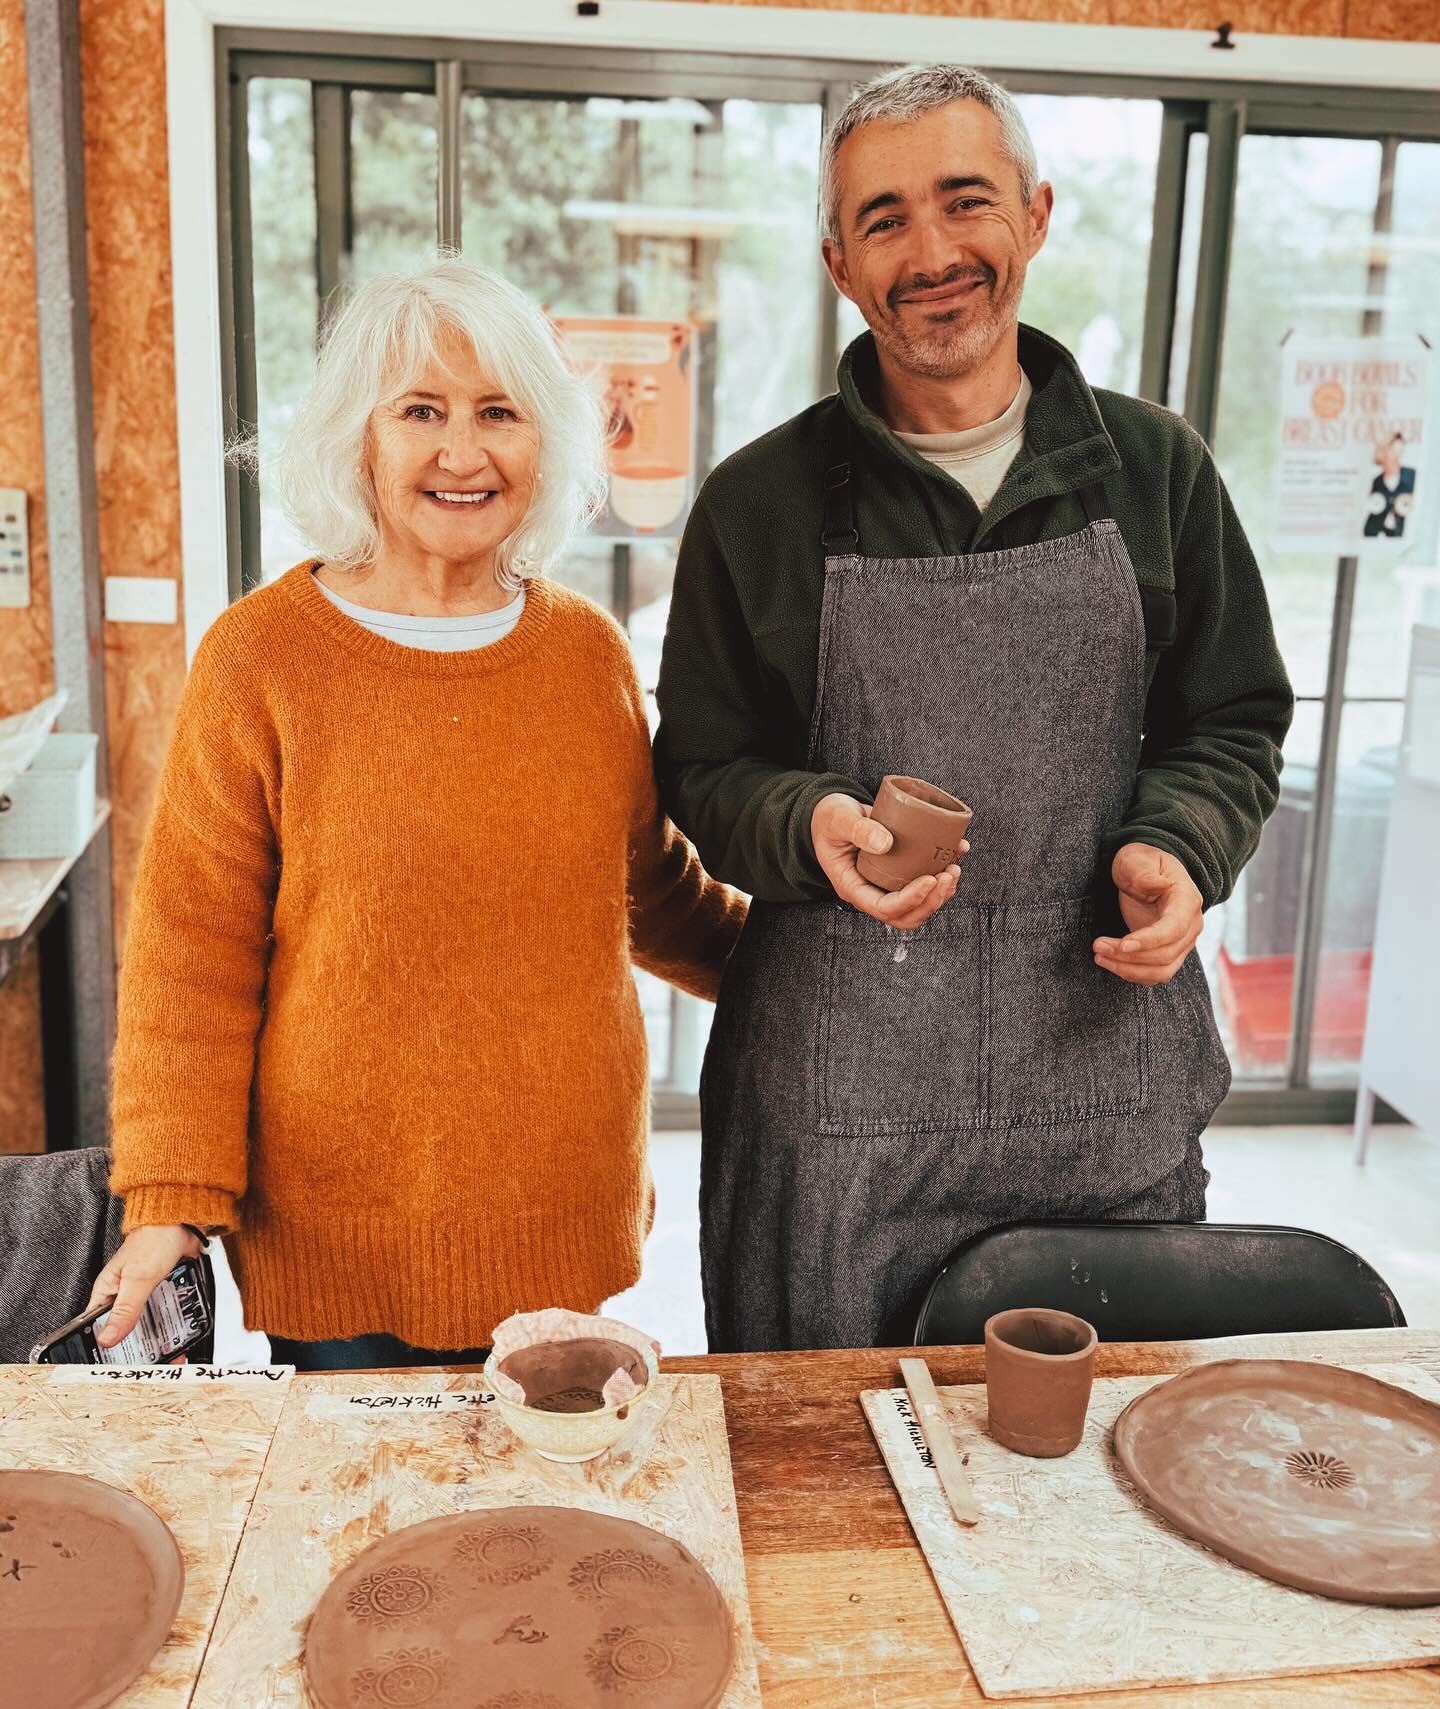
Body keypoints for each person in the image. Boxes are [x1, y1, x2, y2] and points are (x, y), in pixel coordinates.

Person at [654, 65, 1294, 1352]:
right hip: (837, 1126)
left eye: (966, 200)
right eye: (885, 218)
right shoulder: (757, 504)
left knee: (1088, 1456)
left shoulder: (1158, 471)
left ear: (1035, 215)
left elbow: (1231, 719)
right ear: (840, 262)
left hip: (1102, 1097)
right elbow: (705, 768)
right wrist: (808, 820)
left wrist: (1180, 845)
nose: (933, 252)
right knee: (825, 1459)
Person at [93, 260, 744, 1371]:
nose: (463, 452)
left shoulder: (586, 655)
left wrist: (814, 974)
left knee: (546, 1484)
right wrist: (170, 1194)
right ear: (358, 437)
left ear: (547, 443)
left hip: (557, 1207)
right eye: (421, 412)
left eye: (499, 412)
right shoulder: (261, 659)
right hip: (337, 1227)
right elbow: (190, 954)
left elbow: (648, 886)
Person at [1363, 433, 1416, 539]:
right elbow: (1372, 521)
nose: (1396, 457)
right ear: (1382, 454)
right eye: (1393, 451)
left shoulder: (1412, 476)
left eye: (1400, 452)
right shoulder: (1377, 482)